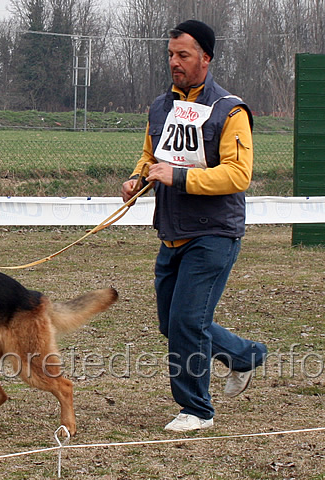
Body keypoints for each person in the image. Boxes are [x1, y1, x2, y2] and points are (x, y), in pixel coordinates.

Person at [121, 19, 267, 432]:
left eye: (183, 55)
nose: (174, 62)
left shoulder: (230, 110)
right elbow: (151, 156)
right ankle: (245, 356)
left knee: (187, 323)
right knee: (173, 324)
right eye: (170, 55)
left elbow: (238, 176)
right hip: (171, 233)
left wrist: (179, 177)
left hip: (214, 233)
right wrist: (138, 179)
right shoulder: (161, 107)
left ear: (206, 58)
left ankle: (196, 409)